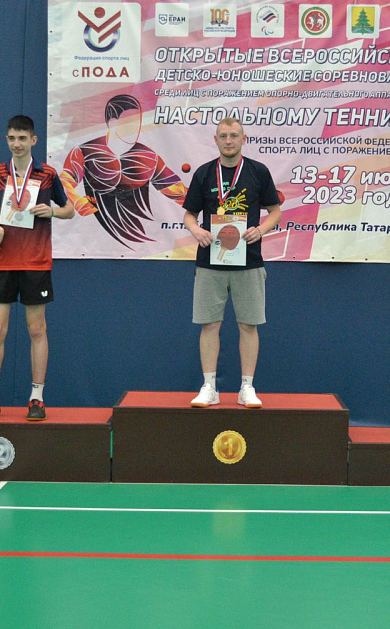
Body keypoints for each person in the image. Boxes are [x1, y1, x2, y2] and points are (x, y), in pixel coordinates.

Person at [0, 115, 75, 422]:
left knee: (36, 329)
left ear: (33, 140)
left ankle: (37, 399)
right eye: (12, 138)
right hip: (3, 261)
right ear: (7, 140)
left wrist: (51, 211)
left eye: (22, 138)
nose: (17, 144)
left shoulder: (47, 174)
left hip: (35, 261)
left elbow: (69, 210)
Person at [183, 117, 281, 408]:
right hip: (210, 261)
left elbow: (275, 212)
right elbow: (189, 215)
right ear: (215, 139)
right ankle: (209, 386)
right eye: (224, 136)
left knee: (249, 325)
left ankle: (247, 387)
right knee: (209, 324)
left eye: (234, 135)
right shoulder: (204, 173)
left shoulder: (258, 172)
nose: (229, 140)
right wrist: (196, 230)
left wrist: (260, 230)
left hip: (249, 261)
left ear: (243, 139)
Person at [60, 93, 188, 247]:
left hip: (141, 240)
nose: (137, 129)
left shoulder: (149, 157)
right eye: (130, 123)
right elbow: (65, 180)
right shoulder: (85, 152)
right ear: (113, 123)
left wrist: (207, 201)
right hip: (91, 242)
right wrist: (76, 200)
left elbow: (178, 192)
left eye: (138, 122)